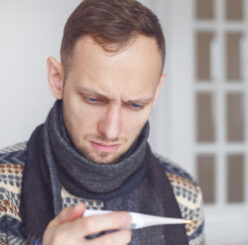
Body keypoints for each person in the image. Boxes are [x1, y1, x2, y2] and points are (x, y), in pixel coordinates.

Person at [0, 0, 205, 244]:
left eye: (135, 105)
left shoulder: (184, 194)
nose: (111, 130)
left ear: (157, 91)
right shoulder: (4, 184)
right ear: (57, 79)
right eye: (93, 99)